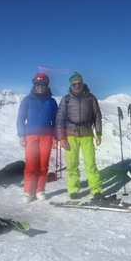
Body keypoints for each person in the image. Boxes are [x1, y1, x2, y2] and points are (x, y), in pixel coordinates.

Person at [56, 72, 104, 200]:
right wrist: (61, 138)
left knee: (90, 163)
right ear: (71, 86)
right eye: (74, 84)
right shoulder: (66, 99)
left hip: (87, 133)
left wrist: (98, 133)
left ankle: (96, 189)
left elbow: (97, 116)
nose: (77, 86)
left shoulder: (90, 98)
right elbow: (59, 119)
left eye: (79, 83)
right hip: (70, 134)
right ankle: (73, 189)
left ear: (83, 84)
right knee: (72, 164)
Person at [16, 73, 58, 204]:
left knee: (43, 164)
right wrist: (21, 135)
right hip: (31, 136)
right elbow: (20, 119)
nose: (40, 87)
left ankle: (40, 190)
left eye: (43, 84)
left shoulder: (51, 102)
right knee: (31, 165)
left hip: (47, 136)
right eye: (37, 84)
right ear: (34, 85)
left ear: (47, 85)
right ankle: (28, 191)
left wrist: (56, 137)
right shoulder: (27, 100)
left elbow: (56, 121)